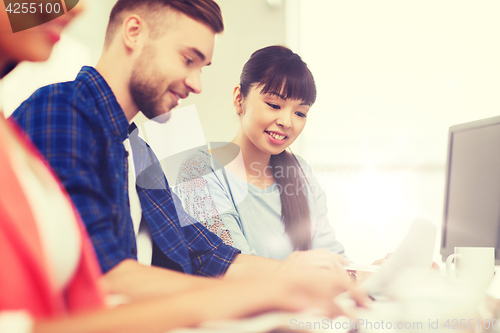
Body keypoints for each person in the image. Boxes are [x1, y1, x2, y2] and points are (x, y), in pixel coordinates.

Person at [0, 2, 360, 332]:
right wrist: (270, 291)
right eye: (189, 60)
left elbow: (205, 252)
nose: (197, 84)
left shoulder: (138, 148)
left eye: (300, 113)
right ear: (134, 32)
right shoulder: (63, 112)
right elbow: (103, 276)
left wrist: (298, 279)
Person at [174, 45, 345, 260]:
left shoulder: (300, 172)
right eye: (274, 105)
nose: (287, 122)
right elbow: (233, 265)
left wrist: (368, 274)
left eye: (300, 113)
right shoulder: (201, 171)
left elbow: (330, 255)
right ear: (239, 99)